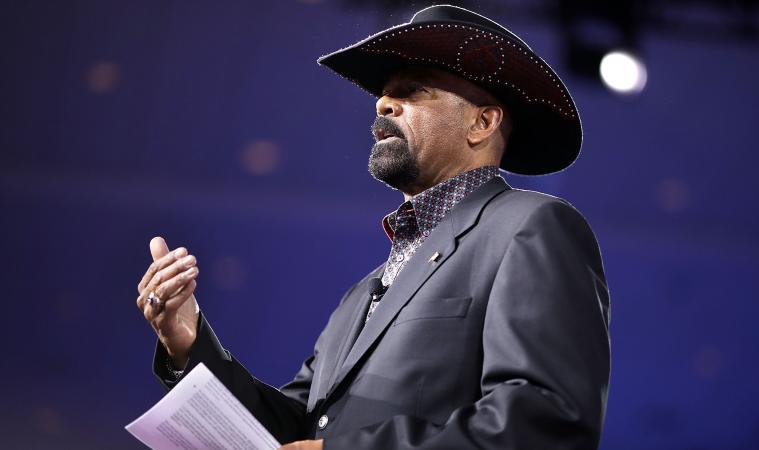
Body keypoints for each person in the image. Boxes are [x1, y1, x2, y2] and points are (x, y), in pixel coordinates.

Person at [135, 5, 610, 450]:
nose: (383, 102)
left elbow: (546, 418)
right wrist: (188, 341)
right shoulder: (359, 298)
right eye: (385, 92)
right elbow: (296, 429)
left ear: (482, 122)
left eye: (413, 89)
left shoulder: (531, 226)